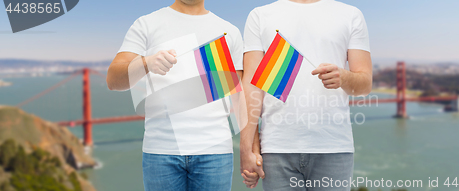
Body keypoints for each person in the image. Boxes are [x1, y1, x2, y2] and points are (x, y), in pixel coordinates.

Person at [106, 0, 243, 190]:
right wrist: (146, 62)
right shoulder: (146, 24)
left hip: (215, 152)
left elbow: (239, 97)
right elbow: (113, 80)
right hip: (160, 152)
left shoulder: (230, 32)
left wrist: (249, 151)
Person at [240, 0, 372, 190]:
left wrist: (343, 77)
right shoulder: (259, 15)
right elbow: (251, 85)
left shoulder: (351, 15)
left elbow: (365, 85)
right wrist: (246, 149)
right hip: (276, 148)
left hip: (334, 148)